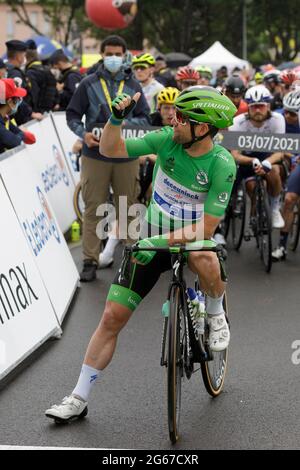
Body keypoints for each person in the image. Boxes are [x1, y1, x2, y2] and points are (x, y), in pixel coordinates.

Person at [45, 85, 237, 422]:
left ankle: (217, 314)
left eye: (181, 118)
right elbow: (112, 148)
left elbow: (205, 228)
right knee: (111, 317)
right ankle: (79, 396)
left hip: (188, 239)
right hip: (150, 236)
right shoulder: (167, 139)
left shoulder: (222, 164)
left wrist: (159, 241)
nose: (172, 121)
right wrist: (115, 119)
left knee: (204, 254)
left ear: (202, 129)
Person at [66, 34, 150, 282]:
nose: (113, 58)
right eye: (109, 53)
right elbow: (72, 116)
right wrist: (84, 134)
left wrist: (121, 125)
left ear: (124, 55)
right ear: (102, 55)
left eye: (117, 54)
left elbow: (146, 118)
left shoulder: (134, 86)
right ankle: (90, 260)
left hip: (126, 154)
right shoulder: (88, 83)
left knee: (128, 207)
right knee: (93, 207)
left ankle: (133, 259)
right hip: (95, 155)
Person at [229, 84, 285, 228]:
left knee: (274, 170)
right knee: (251, 186)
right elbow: (235, 154)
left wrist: (266, 162)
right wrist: (252, 160)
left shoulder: (277, 119)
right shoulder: (237, 122)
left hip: (268, 158)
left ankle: (274, 209)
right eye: (254, 106)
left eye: (261, 106)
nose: (258, 110)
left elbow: (280, 151)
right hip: (247, 160)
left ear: (268, 105)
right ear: (248, 106)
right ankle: (252, 213)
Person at [272, 90, 300, 261]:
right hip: (288, 155)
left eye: (293, 113)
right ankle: (282, 245)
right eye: (286, 111)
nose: (288, 116)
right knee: (289, 199)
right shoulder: (277, 117)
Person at [5, 39, 44, 124]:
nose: (24, 58)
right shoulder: (15, 73)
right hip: (20, 119)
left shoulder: (7, 70)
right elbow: (17, 97)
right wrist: (31, 113)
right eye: (24, 55)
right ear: (19, 57)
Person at [0, 78, 36, 154]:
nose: (19, 102)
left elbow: (31, 139)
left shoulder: (4, 118)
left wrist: (23, 135)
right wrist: (22, 135)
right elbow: (13, 142)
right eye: (17, 99)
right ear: (10, 101)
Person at [25, 39, 57, 113]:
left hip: (37, 115)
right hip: (48, 113)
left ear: (26, 56)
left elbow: (33, 96)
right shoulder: (46, 69)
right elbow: (55, 93)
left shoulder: (31, 72)